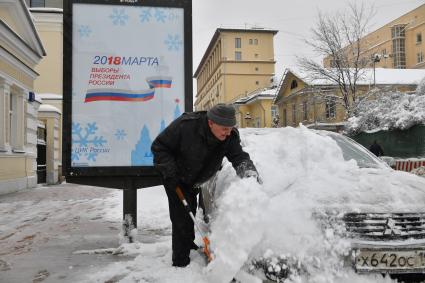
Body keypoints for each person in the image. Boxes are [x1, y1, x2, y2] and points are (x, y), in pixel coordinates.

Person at [151, 103, 259, 267]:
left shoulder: (229, 136)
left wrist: (249, 174)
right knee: (182, 216)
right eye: (224, 128)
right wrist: (169, 171)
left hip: (197, 178)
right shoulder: (186, 125)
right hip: (175, 176)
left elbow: (239, 157)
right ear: (210, 123)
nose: (227, 132)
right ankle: (180, 261)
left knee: (191, 210)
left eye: (230, 128)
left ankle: (188, 244)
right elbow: (160, 147)